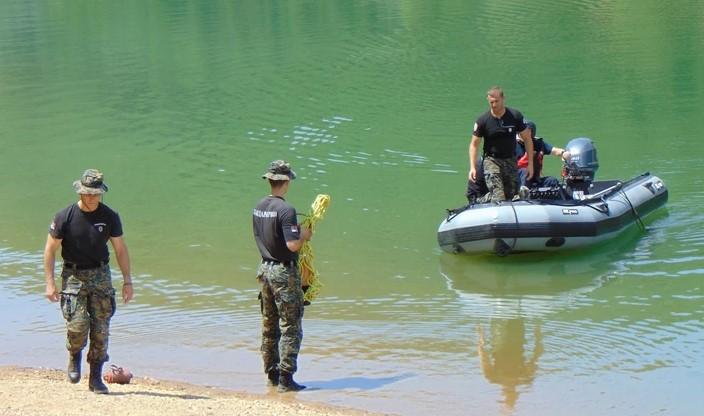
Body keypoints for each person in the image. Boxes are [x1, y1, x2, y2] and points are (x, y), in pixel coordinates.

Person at [44, 169, 133, 394]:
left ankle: (95, 377)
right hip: (73, 275)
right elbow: (50, 250)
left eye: (96, 194)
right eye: (88, 193)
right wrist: (50, 283)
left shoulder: (110, 216)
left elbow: (120, 250)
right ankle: (74, 356)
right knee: (77, 325)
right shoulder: (65, 216)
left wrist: (127, 281)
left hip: (101, 275)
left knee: (101, 329)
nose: (92, 197)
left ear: (101, 193)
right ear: (80, 192)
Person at [253, 160, 312, 393]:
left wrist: (294, 231)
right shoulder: (286, 209)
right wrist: (304, 235)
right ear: (286, 182)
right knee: (291, 325)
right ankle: (286, 379)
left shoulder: (259, 206)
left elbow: (266, 234)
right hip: (283, 272)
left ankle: (271, 375)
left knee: (269, 325)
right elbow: (292, 245)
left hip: (264, 269)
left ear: (270, 180)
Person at [468, 86, 534, 203]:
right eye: (491, 102)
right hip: (492, 160)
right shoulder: (483, 121)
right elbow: (474, 145)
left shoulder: (515, 116)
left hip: (510, 159)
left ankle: (485, 198)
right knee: (499, 197)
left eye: (496, 101)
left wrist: (530, 164)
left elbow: (527, 139)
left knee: (510, 195)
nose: (494, 105)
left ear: (503, 99)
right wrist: (472, 168)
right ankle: (487, 199)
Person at [516, 120, 571, 189]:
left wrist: (564, 153)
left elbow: (554, 151)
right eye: (525, 131)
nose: (527, 133)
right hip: (516, 181)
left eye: (530, 131)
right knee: (524, 171)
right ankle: (523, 192)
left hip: (535, 179)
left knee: (552, 181)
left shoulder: (538, 143)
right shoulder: (512, 144)